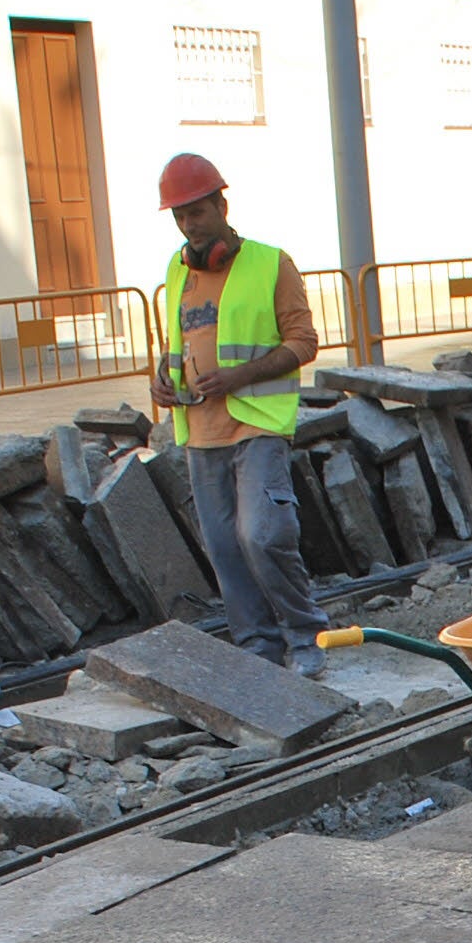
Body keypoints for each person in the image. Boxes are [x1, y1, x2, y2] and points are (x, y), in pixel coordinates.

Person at [149, 153, 322, 671]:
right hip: (200, 432)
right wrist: (162, 376)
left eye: (196, 213)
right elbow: (181, 341)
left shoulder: (272, 264)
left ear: (221, 205)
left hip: (258, 425)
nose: (188, 226)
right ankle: (258, 648)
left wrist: (240, 377)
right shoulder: (178, 271)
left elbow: (304, 342)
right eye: (179, 217)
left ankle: (306, 635)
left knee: (263, 534)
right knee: (225, 547)